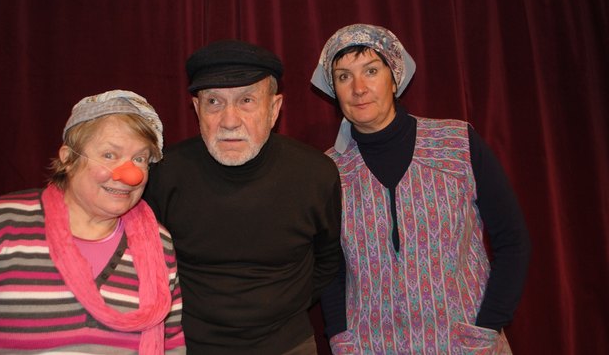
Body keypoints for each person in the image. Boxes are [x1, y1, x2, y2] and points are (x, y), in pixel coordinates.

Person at [311, 24, 531, 354]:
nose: (358, 88)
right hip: (371, 346)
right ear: (334, 89)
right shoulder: (329, 171)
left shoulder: (457, 144)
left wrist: (487, 327)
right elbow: (330, 267)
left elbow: (512, 240)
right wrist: (340, 338)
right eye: (344, 77)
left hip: (466, 345)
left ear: (394, 77)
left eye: (371, 71)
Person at [143, 39, 343, 355]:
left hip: (288, 344)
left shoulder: (316, 174)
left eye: (246, 100)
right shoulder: (164, 174)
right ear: (197, 109)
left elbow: (329, 259)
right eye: (214, 102)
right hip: (188, 346)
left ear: (274, 109)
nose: (229, 120)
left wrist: (280, 308)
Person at [0, 90, 185, 354]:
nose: (130, 175)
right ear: (68, 158)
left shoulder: (159, 244)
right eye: (109, 155)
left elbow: (172, 343)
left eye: (139, 159)